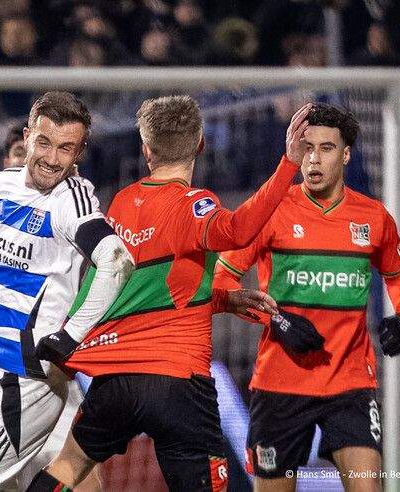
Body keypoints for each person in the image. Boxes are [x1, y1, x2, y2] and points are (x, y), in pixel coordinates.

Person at [24, 96, 310, 492]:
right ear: (200, 145)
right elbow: (239, 230)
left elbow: (139, 290)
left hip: (117, 378)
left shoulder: (122, 203)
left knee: (68, 466)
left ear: (145, 150)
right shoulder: (195, 204)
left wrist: (224, 300)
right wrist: (288, 165)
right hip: (177, 381)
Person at [0, 91, 134, 492]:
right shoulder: (2, 185)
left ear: (80, 152)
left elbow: (117, 260)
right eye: (45, 143)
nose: (53, 159)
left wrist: (71, 337)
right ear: (28, 136)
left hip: (23, 380)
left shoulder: (74, 198)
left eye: (67, 148)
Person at [212, 103, 400, 491]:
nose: (314, 159)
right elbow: (220, 283)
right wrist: (275, 320)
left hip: (350, 385)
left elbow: (399, 276)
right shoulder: (272, 211)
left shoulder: (374, 218)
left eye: (325, 148)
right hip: (280, 386)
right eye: (306, 148)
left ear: (345, 154)